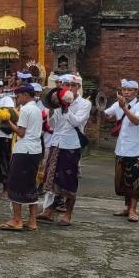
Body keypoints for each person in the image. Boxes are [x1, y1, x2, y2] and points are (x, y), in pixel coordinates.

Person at [36, 73, 91, 227]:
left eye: (73, 85)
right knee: (50, 178)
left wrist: (66, 108)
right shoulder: (59, 103)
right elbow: (53, 125)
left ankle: (68, 214)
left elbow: (77, 121)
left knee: (69, 181)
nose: (69, 88)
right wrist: (53, 109)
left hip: (71, 146)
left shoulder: (84, 104)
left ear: (78, 87)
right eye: (66, 85)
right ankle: (48, 210)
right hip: (56, 143)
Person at [0, 84, 43, 231]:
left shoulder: (26, 109)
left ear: (25, 95)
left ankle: (17, 219)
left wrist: (8, 122)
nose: (17, 99)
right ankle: (32, 221)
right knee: (31, 185)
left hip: (24, 150)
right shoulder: (37, 109)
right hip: (35, 150)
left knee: (15, 184)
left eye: (18, 96)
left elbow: (21, 132)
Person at [103, 79, 139, 223]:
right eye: (124, 89)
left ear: (136, 92)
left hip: (135, 150)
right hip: (121, 149)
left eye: (129, 90)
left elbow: (136, 121)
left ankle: (133, 210)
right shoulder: (117, 104)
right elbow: (106, 114)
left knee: (134, 181)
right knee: (122, 181)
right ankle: (127, 207)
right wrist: (99, 104)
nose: (126, 92)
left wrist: (125, 109)